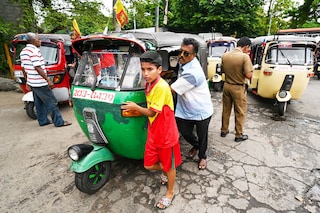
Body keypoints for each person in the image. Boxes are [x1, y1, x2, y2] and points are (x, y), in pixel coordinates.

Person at [121, 51, 182, 209]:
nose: (145, 73)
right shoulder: (149, 84)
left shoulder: (161, 87)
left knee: (169, 165)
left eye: (150, 69)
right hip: (154, 131)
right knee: (148, 165)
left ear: (159, 70)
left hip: (166, 133)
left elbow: (151, 112)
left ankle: (170, 191)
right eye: (143, 69)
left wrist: (135, 107)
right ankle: (169, 171)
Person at [170, 38, 213, 170]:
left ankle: (202, 156)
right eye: (180, 51)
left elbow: (170, 90)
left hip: (200, 111)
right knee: (185, 132)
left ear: (194, 55)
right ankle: (196, 145)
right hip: (185, 109)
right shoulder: (184, 63)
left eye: (186, 53)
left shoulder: (193, 72)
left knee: (202, 136)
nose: (181, 55)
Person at [20, 32, 72, 127]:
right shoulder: (34, 51)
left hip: (33, 82)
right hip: (40, 82)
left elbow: (23, 68)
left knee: (39, 103)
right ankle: (59, 122)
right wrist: (47, 80)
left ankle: (43, 121)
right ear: (32, 41)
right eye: (38, 39)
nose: (40, 41)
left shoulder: (23, 51)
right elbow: (38, 67)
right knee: (52, 102)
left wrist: (27, 81)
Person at [220, 36, 253, 142]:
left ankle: (224, 130)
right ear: (246, 46)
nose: (248, 50)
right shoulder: (244, 57)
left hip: (227, 86)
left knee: (226, 109)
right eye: (248, 48)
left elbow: (222, 71)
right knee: (240, 111)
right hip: (238, 87)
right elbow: (248, 75)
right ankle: (238, 135)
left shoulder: (225, 55)